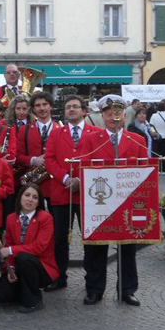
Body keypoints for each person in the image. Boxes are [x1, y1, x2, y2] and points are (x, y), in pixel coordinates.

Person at [80, 94, 146, 307]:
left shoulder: (138, 140)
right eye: (109, 115)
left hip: (128, 201)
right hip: (100, 202)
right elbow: (84, 168)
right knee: (96, 248)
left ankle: (127, 290)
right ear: (102, 117)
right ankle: (95, 289)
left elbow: (145, 171)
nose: (114, 118)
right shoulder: (91, 139)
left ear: (125, 115)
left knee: (128, 248)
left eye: (118, 114)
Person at [43, 95, 100, 292]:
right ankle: (59, 276)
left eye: (76, 106)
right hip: (62, 192)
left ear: (84, 110)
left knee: (90, 239)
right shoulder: (56, 134)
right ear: (64, 112)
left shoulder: (97, 133)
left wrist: (82, 180)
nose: (72, 110)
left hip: (89, 195)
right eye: (68, 107)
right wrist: (66, 178)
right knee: (59, 238)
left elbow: (99, 161)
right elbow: (49, 159)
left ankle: (92, 282)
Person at [0, 184, 58, 313]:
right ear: (20, 197)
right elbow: (9, 244)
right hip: (19, 266)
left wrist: (11, 250)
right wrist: (10, 269)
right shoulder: (11, 218)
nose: (30, 200)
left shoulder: (46, 218)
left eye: (35, 197)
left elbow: (39, 247)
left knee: (24, 258)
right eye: (27, 195)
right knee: (0, 295)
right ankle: (23, 291)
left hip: (42, 267)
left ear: (39, 202)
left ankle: (35, 300)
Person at [16, 92, 58, 208]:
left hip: (54, 183)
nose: (42, 108)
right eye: (38, 105)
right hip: (33, 183)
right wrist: (33, 160)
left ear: (51, 106)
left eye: (45, 104)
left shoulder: (60, 129)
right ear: (33, 109)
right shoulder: (24, 130)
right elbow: (18, 156)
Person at [149, 100, 165, 174]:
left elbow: (151, 126)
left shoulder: (154, 116)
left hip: (157, 136)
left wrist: (154, 133)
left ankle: (158, 169)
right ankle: (164, 169)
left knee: (157, 153)